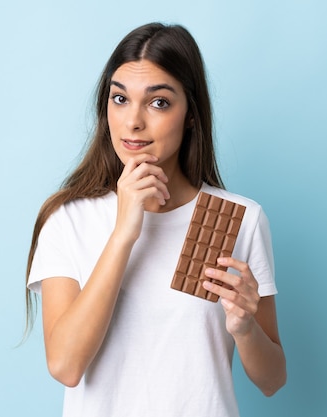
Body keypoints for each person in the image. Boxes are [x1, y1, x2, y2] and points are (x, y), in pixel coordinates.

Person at [25, 22, 286, 417]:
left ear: (191, 115)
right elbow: (65, 365)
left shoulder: (237, 219)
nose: (133, 122)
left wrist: (245, 328)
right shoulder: (67, 219)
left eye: (158, 102)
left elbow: (272, 380)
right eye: (119, 99)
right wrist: (124, 234)